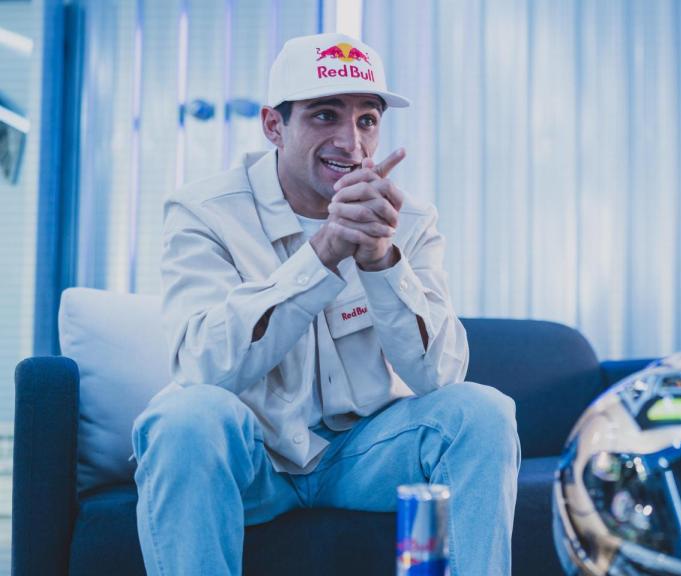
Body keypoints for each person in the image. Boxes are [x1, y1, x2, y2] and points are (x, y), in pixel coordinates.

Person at [131, 32, 520, 575]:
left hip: (365, 456)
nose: (351, 142)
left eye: (367, 119)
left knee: (482, 412)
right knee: (182, 416)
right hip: (255, 462)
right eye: (324, 116)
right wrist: (323, 254)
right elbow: (203, 365)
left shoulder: (408, 220)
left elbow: (439, 376)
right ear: (274, 125)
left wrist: (383, 261)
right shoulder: (204, 212)